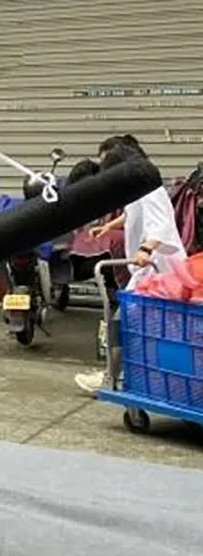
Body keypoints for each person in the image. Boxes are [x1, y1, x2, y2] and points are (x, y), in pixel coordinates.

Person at [74, 139, 187, 395]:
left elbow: (161, 225)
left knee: (121, 321)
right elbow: (134, 213)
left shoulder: (150, 190)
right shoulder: (139, 189)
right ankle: (128, 375)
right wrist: (110, 226)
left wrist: (145, 249)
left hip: (160, 271)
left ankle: (111, 378)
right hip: (150, 271)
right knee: (142, 327)